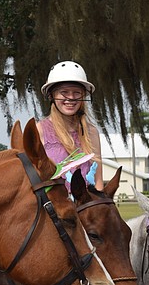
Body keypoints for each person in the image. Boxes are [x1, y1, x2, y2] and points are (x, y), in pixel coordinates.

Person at [37, 60, 104, 190]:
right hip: (52, 202)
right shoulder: (39, 130)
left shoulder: (91, 132)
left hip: (87, 202)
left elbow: (98, 180)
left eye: (77, 92)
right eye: (64, 92)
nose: (71, 98)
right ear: (51, 95)